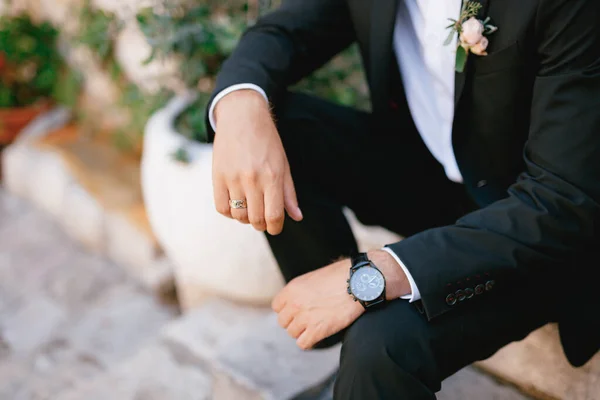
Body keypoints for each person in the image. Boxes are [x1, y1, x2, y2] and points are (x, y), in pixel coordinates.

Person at [205, 0, 600, 398]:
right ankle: (346, 357)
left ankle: (368, 374)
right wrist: (239, 106)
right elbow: (284, 30)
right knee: (278, 126)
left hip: (539, 230)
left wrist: (376, 274)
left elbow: (562, 203)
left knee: (383, 339)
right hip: (435, 177)